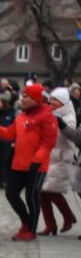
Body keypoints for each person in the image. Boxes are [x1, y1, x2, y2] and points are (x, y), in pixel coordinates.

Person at [0, 82, 57, 240]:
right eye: (22, 96)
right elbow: (9, 135)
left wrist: (37, 160)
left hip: (37, 166)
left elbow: (48, 142)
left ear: (35, 99)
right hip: (19, 164)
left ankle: (31, 230)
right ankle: (26, 222)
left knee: (31, 196)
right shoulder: (21, 116)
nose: (21, 99)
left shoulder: (47, 115)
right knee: (11, 193)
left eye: (25, 97)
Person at [39, 87, 78, 235]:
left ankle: (68, 216)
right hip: (48, 156)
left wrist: (59, 124)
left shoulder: (69, 116)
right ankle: (50, 225)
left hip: (61, 157)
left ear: (62, 102)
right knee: (41, 192)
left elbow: (71, 136)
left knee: (52, 191)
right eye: (51, 100)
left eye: (55, 100)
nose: (51, 102)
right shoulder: (49, 113)